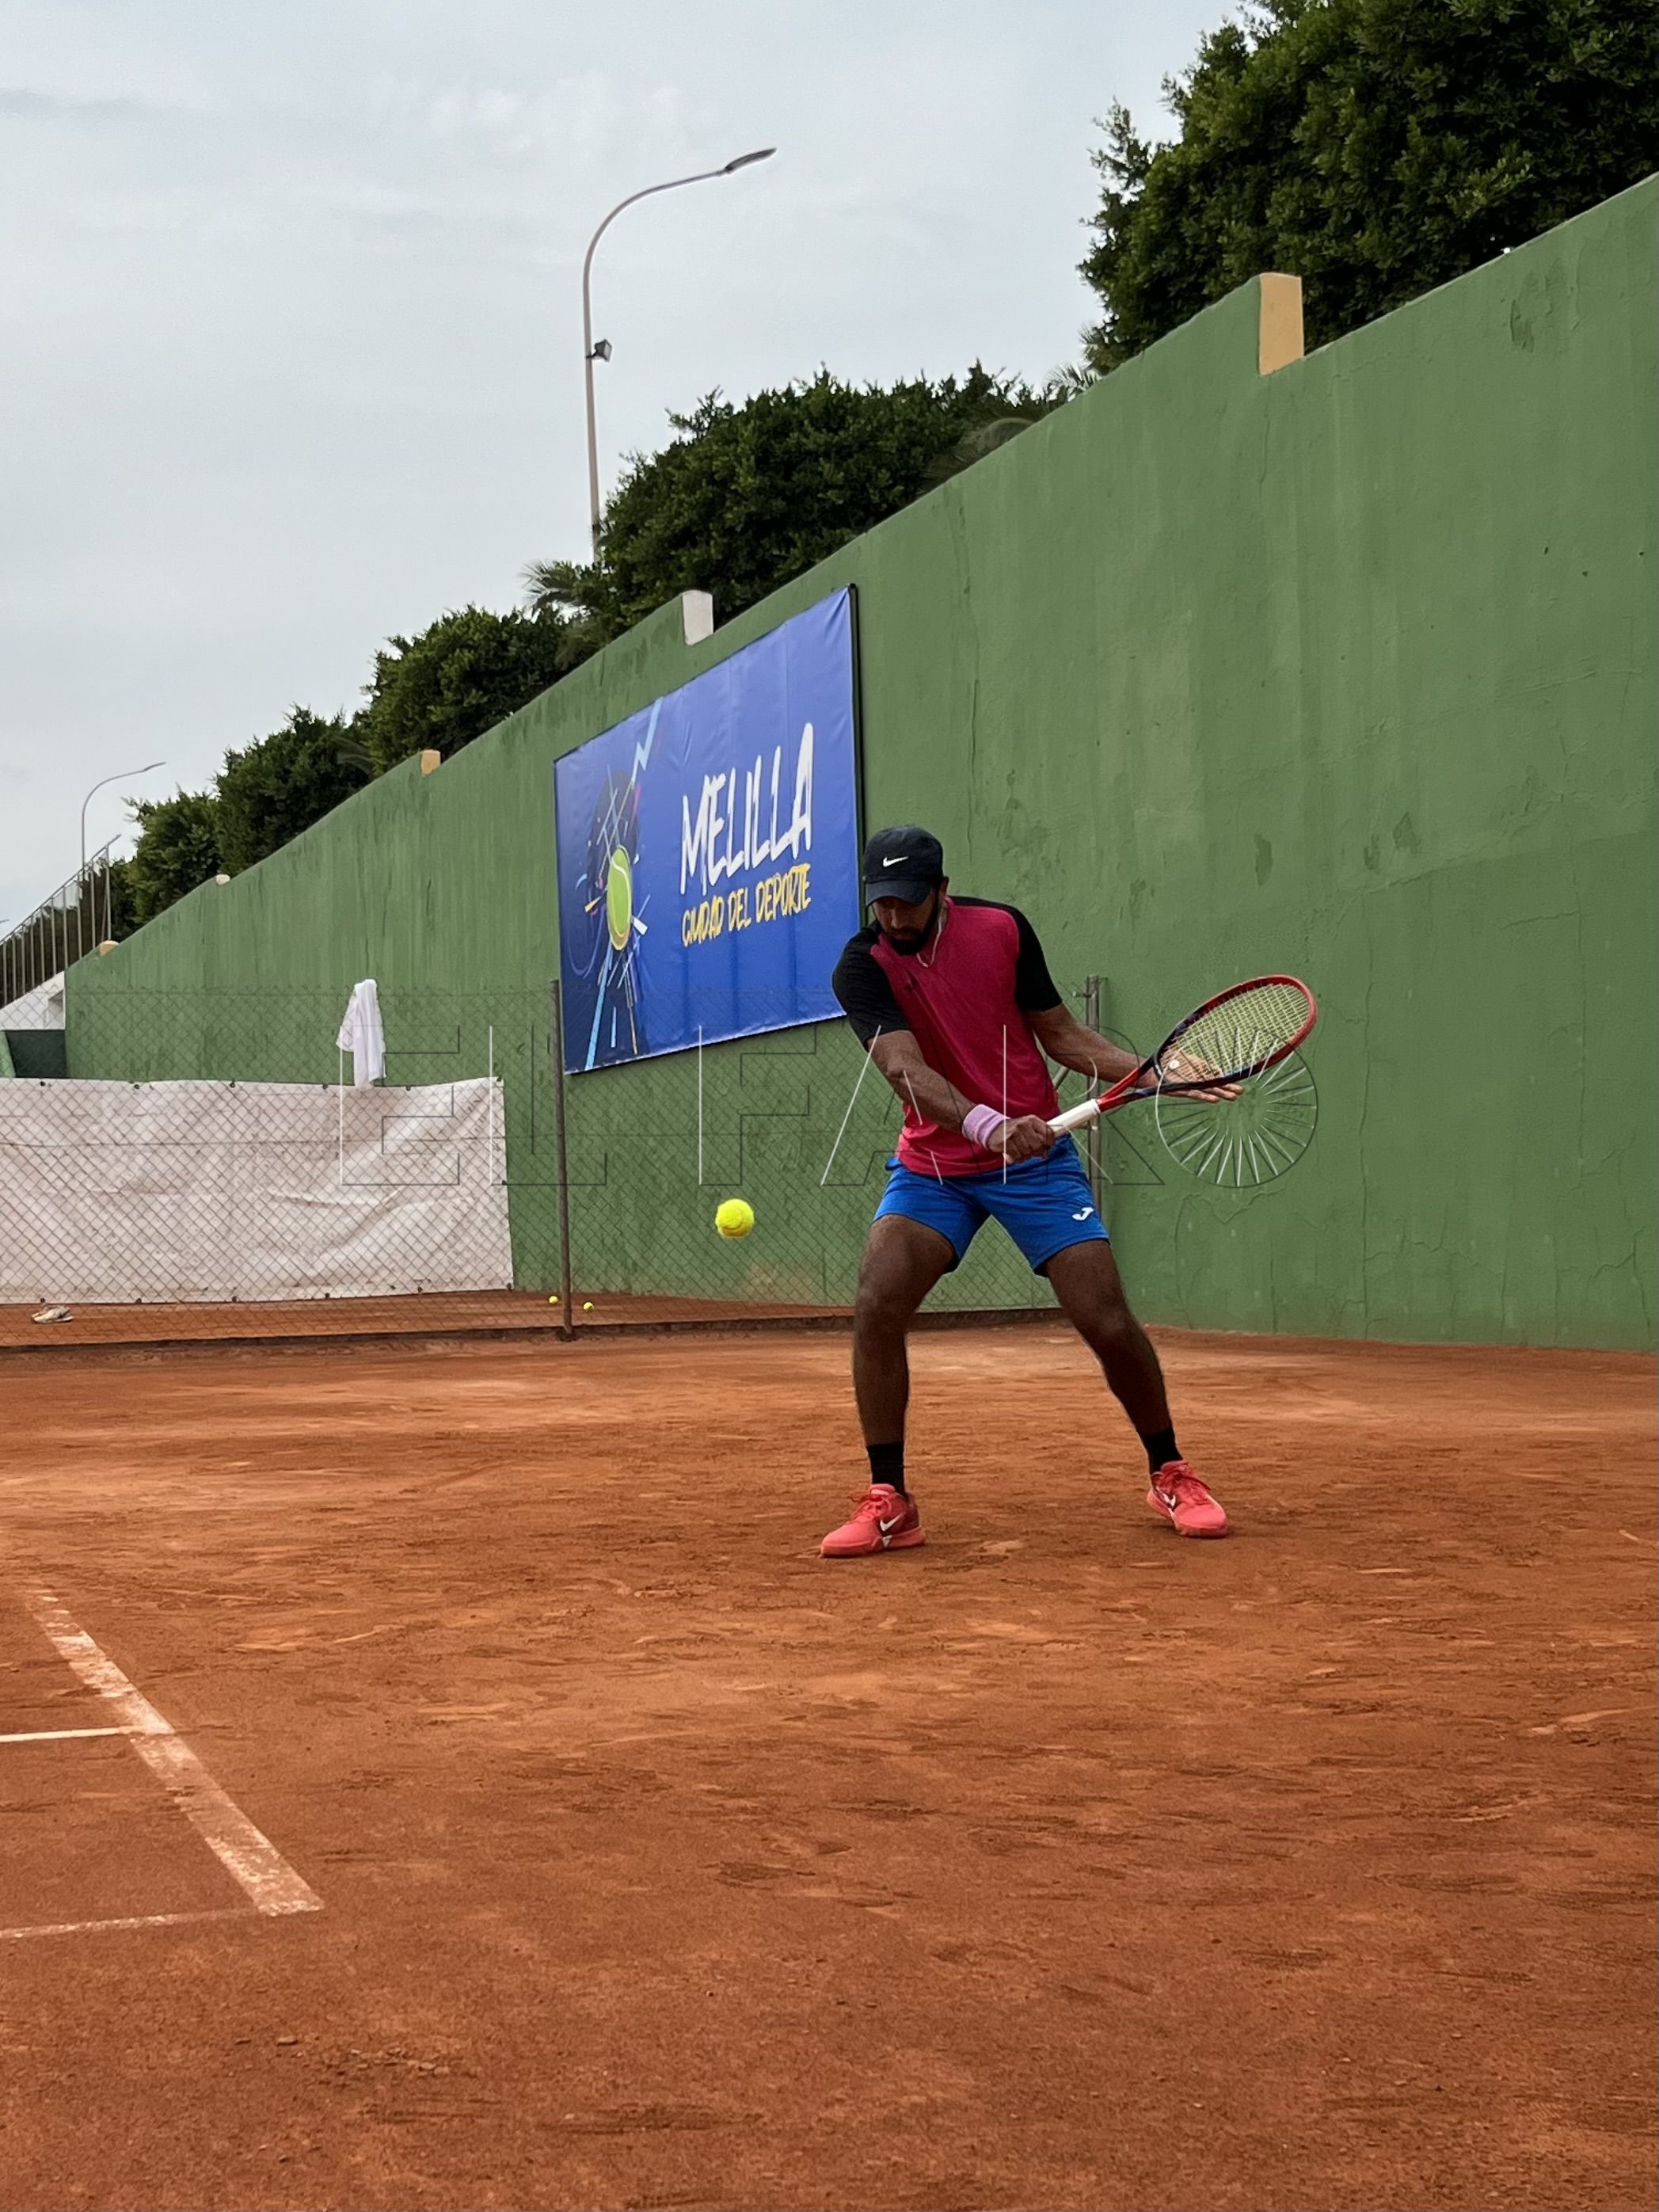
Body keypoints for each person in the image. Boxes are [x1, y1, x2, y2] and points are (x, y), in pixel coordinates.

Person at [822, 824, 1228, 1557]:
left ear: (940, 892)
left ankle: (1169, 1470)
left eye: (907, 903)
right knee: (878, 1299)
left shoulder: (1003, 930)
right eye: (881, 904)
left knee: (1104, 1318)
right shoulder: (862, 964)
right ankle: (891, 1499)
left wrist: (1153, 1070)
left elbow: (1065, 1037)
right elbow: (904, 1071)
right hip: (936, 1165)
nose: (893, 918)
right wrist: (988, 1125)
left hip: (1035, 1166)